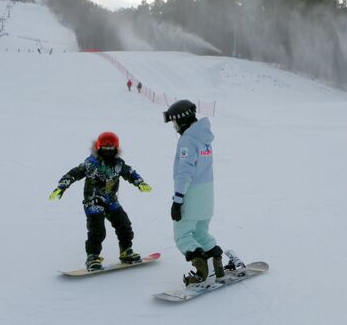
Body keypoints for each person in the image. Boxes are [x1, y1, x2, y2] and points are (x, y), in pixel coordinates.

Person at [49, 131, 153, 271]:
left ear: (116, 149)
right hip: (93, 201)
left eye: (111, 149)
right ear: (99, 148)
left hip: (110, 201)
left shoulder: (118, 164)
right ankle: (92, 256)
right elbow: (74, 173)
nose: (108, 152)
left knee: (123, 224)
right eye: (105, 149)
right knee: (97, 229)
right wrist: (62, 186)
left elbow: (130, 172)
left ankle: (126, 250)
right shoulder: (91, 163)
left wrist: (139, 182)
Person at [163, 99, 227, 285]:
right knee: (200, 233)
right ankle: (216, 266)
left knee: (182, 235)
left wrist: (178, 200)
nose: (174, 127)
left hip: (191, 194)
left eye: (174, 122)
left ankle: (202, 270)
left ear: (182, 120)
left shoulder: (187, 140)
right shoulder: (203, 138)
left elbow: (185, 173)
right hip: (207, 195)